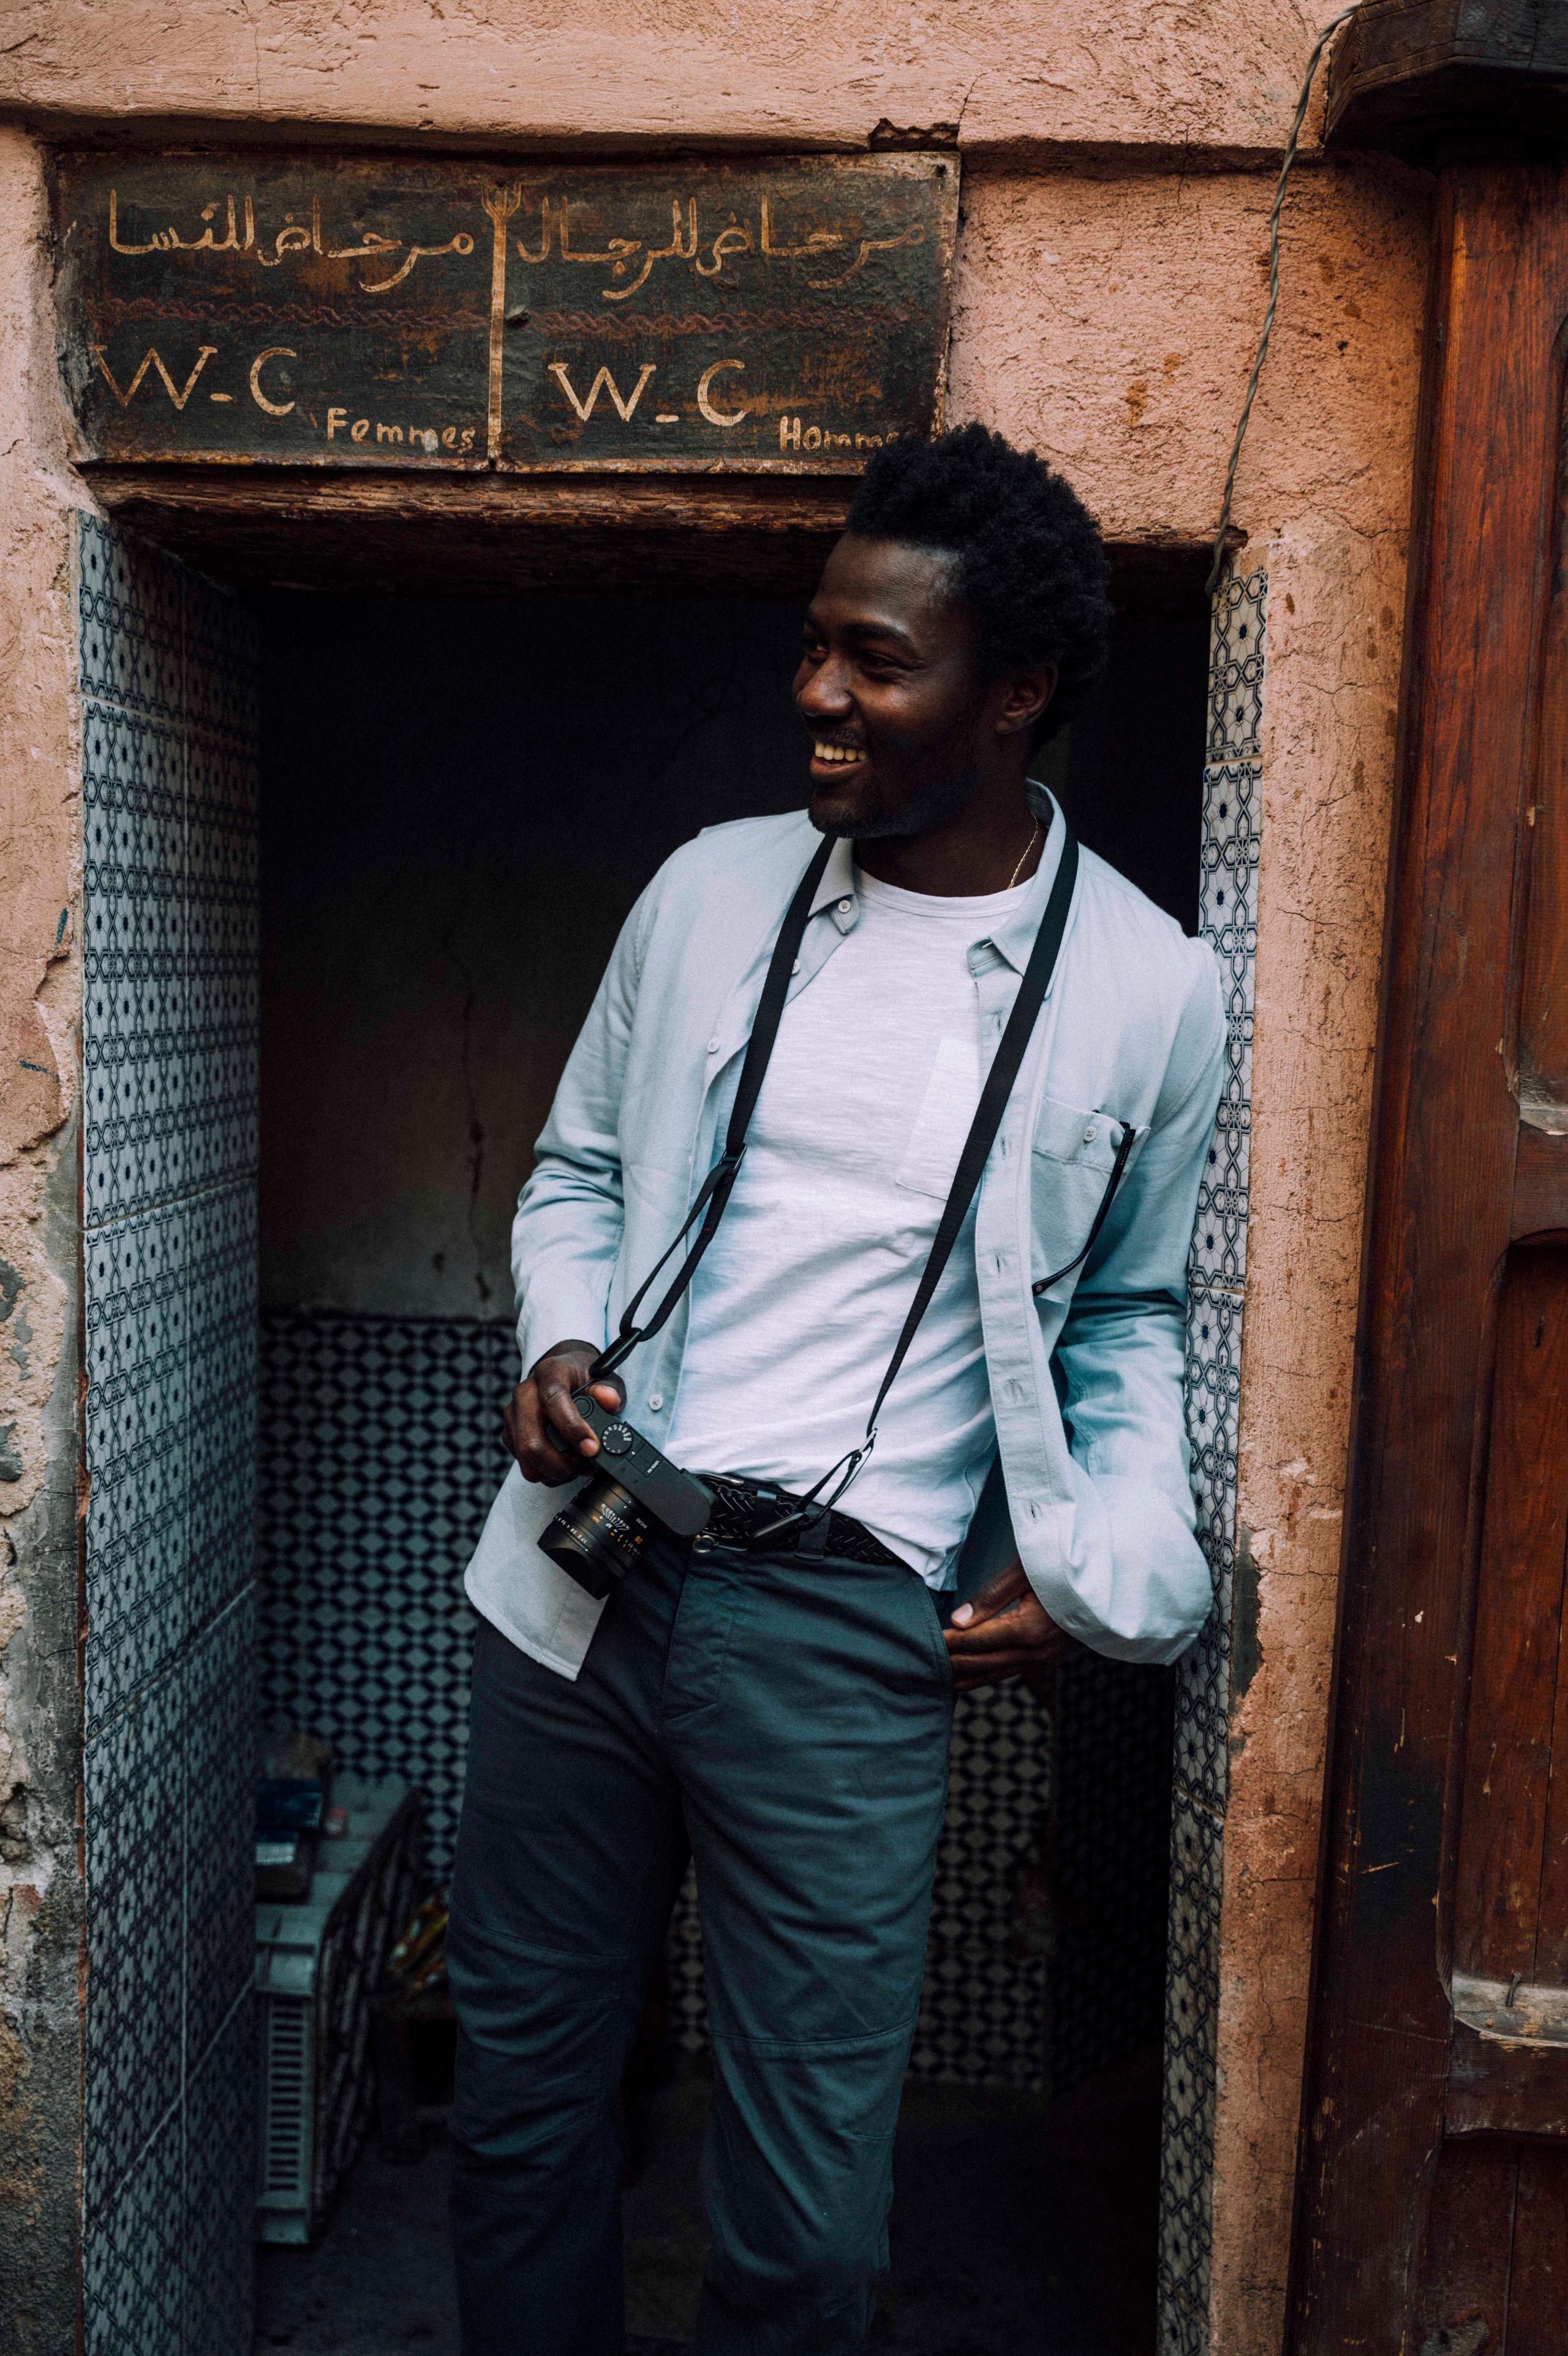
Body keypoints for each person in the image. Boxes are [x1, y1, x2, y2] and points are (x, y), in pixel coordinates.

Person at [448, 423, 1225, 2355]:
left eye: (876, 660)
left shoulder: (1150, 989)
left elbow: (1130, 1314)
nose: (814, 691)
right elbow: (580, 1172)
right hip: (584, 1570)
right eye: (815, 643)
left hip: (847, 1631)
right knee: (521, 2124)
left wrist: (1103, 1557)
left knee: (807, 2235)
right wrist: (558, 1338)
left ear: (1013, 692)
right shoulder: (710, 890)